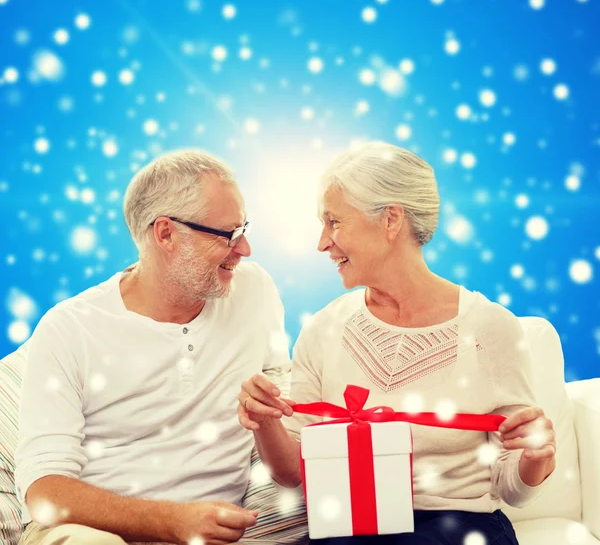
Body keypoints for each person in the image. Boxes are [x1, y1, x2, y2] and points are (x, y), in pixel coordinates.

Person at [238, 141, 556, 545]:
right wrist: (265, 422)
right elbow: (293, 475)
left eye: (334, 222)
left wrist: (535, 456)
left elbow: (513, 487)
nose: (322, 242)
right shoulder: (324, 329)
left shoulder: (490, 329)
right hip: (353, 528)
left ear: (390, 220)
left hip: (459, 527)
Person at [15, 149, 291, 545]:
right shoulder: (69, 328)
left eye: (244, 228)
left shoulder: (254, 291)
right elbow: (44, 491)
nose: (244, 249)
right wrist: (172, 521)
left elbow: (286, 457)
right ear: (165, 234)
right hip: (91, 532)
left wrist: (266, 414)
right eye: (228, 234)